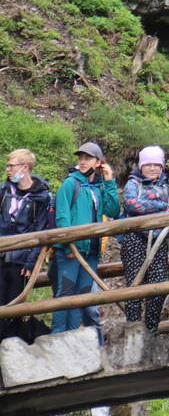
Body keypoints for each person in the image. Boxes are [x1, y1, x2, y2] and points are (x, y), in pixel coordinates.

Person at [51, 142, 119, 337]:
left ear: (98, 162)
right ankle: (57, 337)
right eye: (81, 158)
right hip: (71, 251)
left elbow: (113, 210)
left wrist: (109, 181)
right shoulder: (70, 184)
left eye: (88, 158)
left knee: (81, 296)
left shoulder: (98, 186)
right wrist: (68, 245)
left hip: (91, 252)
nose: (82, 161)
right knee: (65, 293)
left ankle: (72, 336)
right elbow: (62, 217)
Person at [119, 146, 169, 332]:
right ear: (141, 166)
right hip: (134, 240)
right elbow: (132, 205)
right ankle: (134, 329)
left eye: (156, 165)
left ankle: (152, 329)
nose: (152, 169)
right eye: (148, 165)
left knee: (159, 285)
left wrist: (157, 208)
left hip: (159, 241)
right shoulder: (132, 185)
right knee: (134, 285)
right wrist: (161, 206)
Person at [0, 150, 53, 342]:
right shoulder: (4, 191)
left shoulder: (43, 197)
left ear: (25, 167)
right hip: (1, 255)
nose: (7, 169)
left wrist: (31, 262)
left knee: (14, 307)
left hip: (20, 261)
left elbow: (41, 231)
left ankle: (11, 348)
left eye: (11, 165)